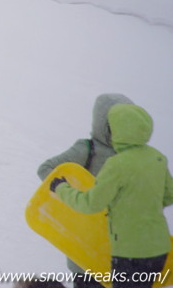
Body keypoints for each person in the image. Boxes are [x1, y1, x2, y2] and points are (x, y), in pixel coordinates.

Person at [50, 103, 173, 288]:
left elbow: (90, 204)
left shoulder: (117, 164)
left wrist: (61, 188)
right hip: (159, 249)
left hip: (130, 253)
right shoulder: (157, 157)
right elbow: (169, 195)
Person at [38, 93, 134, 288]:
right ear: (103, 123)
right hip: (85, 241)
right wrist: (72, 193)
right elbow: (46, 170)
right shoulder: (87, 150)